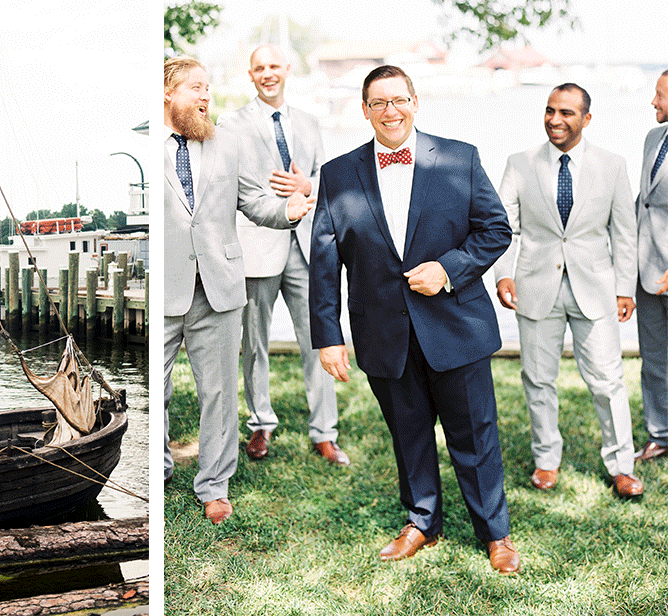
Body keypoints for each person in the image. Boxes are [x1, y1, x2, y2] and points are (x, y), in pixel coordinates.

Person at [309, 65, 519, 574]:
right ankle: (422, 521)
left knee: (474, 433)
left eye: (398, 100)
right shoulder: (338, 173)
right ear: (364, 110)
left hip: (456, 326)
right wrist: (328, 337)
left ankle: (495, 533)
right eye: (378, 103)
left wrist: (448, 270)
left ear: (415, 101)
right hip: (383, 333)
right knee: (409, 434)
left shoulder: (458, 158)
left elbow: (495, 230)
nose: (390, 111)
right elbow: (324, 259)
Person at [164, 56, 314, 524]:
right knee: (160, 389)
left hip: (220, 288)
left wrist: (289, 210)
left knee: (219, 393)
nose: (205, 96)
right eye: (195, 88)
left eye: (208, 88)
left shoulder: (225, 141)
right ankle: (162, 465)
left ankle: (214, 484)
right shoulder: (151, 144)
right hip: (165, 290)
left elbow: (253, 200)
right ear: (168, 93)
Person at [493, 83, 642, 498]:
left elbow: (624, 232)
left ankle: (622, 464)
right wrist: (504, 274)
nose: (555, 120)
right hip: (534, 287)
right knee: (538, 379)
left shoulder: (612, 165)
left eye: (566, 113)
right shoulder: (519, 163)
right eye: (549, 111)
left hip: (595, 288)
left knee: (608, 380)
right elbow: (504, 227)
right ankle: (546, 460)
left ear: (586, 119)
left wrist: (625, 288)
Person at [217, 45, 347, 465]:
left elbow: (325, 176)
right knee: (255, 343)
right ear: (250, 75)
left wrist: (307, 186)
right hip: (257, 243)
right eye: (260, 68)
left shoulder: (309, 122)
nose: (268, 73)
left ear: (288, 70)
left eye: (275, 66)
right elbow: (230, 183)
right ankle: (260, 425)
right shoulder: (231, 123)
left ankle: (324, 432)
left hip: (307, 246)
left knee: (319, 339)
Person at [635, 69, 668, 463]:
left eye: (660, 96)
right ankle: (660, 434)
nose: (654, 102)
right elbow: (642, 200)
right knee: (655, 361)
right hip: (646, 272)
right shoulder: (652, 138)